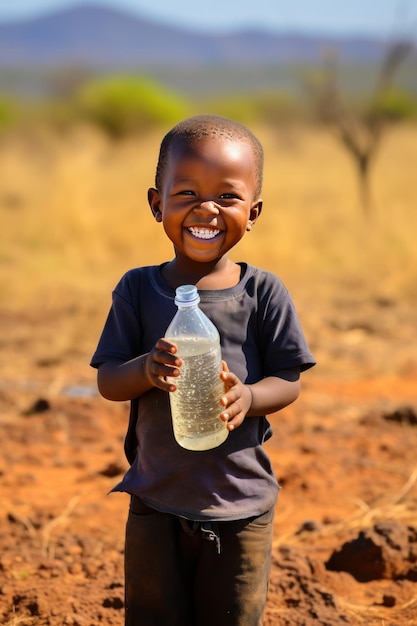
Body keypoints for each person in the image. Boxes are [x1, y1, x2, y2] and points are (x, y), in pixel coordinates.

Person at [90, 114, 316, 626]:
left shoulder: (262, 293)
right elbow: (107, 380)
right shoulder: (137, 289)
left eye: (227, 197)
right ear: (156, 204)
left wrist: (250, 398)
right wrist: (146, 370)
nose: (207, 209)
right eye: (187, 192)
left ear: (253, 212)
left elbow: (290, 379)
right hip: (155, 498)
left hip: (238, 504)